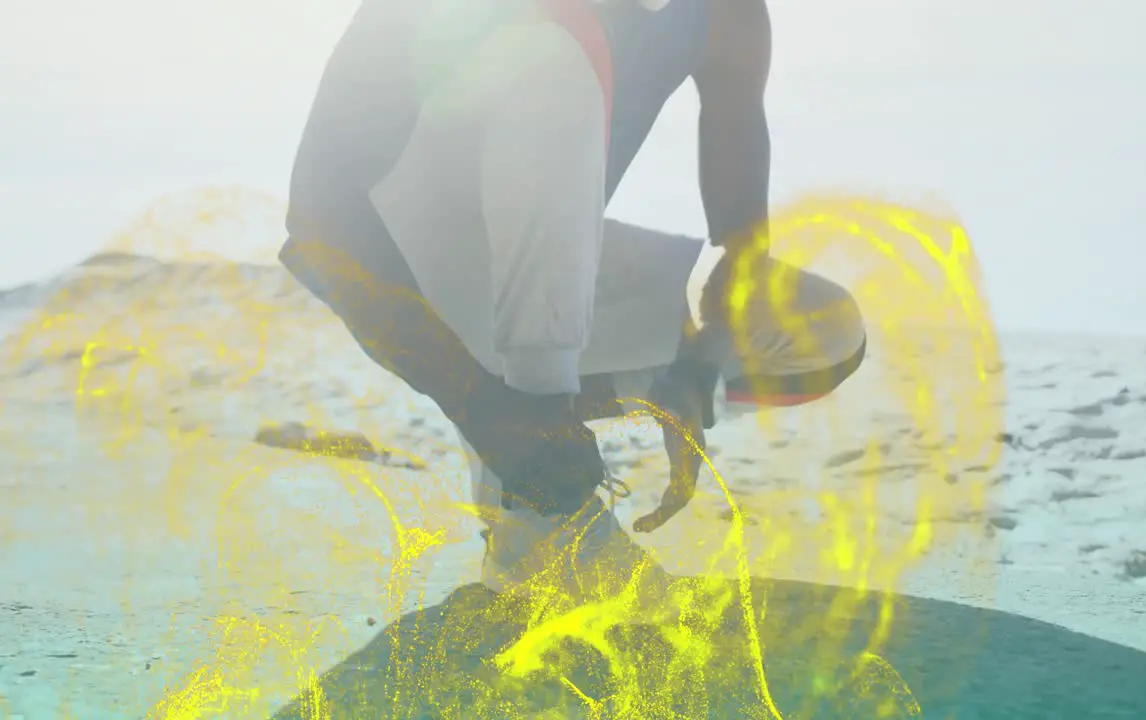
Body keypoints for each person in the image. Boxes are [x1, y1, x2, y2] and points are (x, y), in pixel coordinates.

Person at [278, 0, 867, 602]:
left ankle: (536, 459)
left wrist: (694, 369)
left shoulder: (728, 17)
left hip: (535, 283)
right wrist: (479, 406)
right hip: (408, 275)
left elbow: (743, 271)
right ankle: (543, 519)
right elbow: (316, 230)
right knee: (560, 38)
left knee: (826, 331)